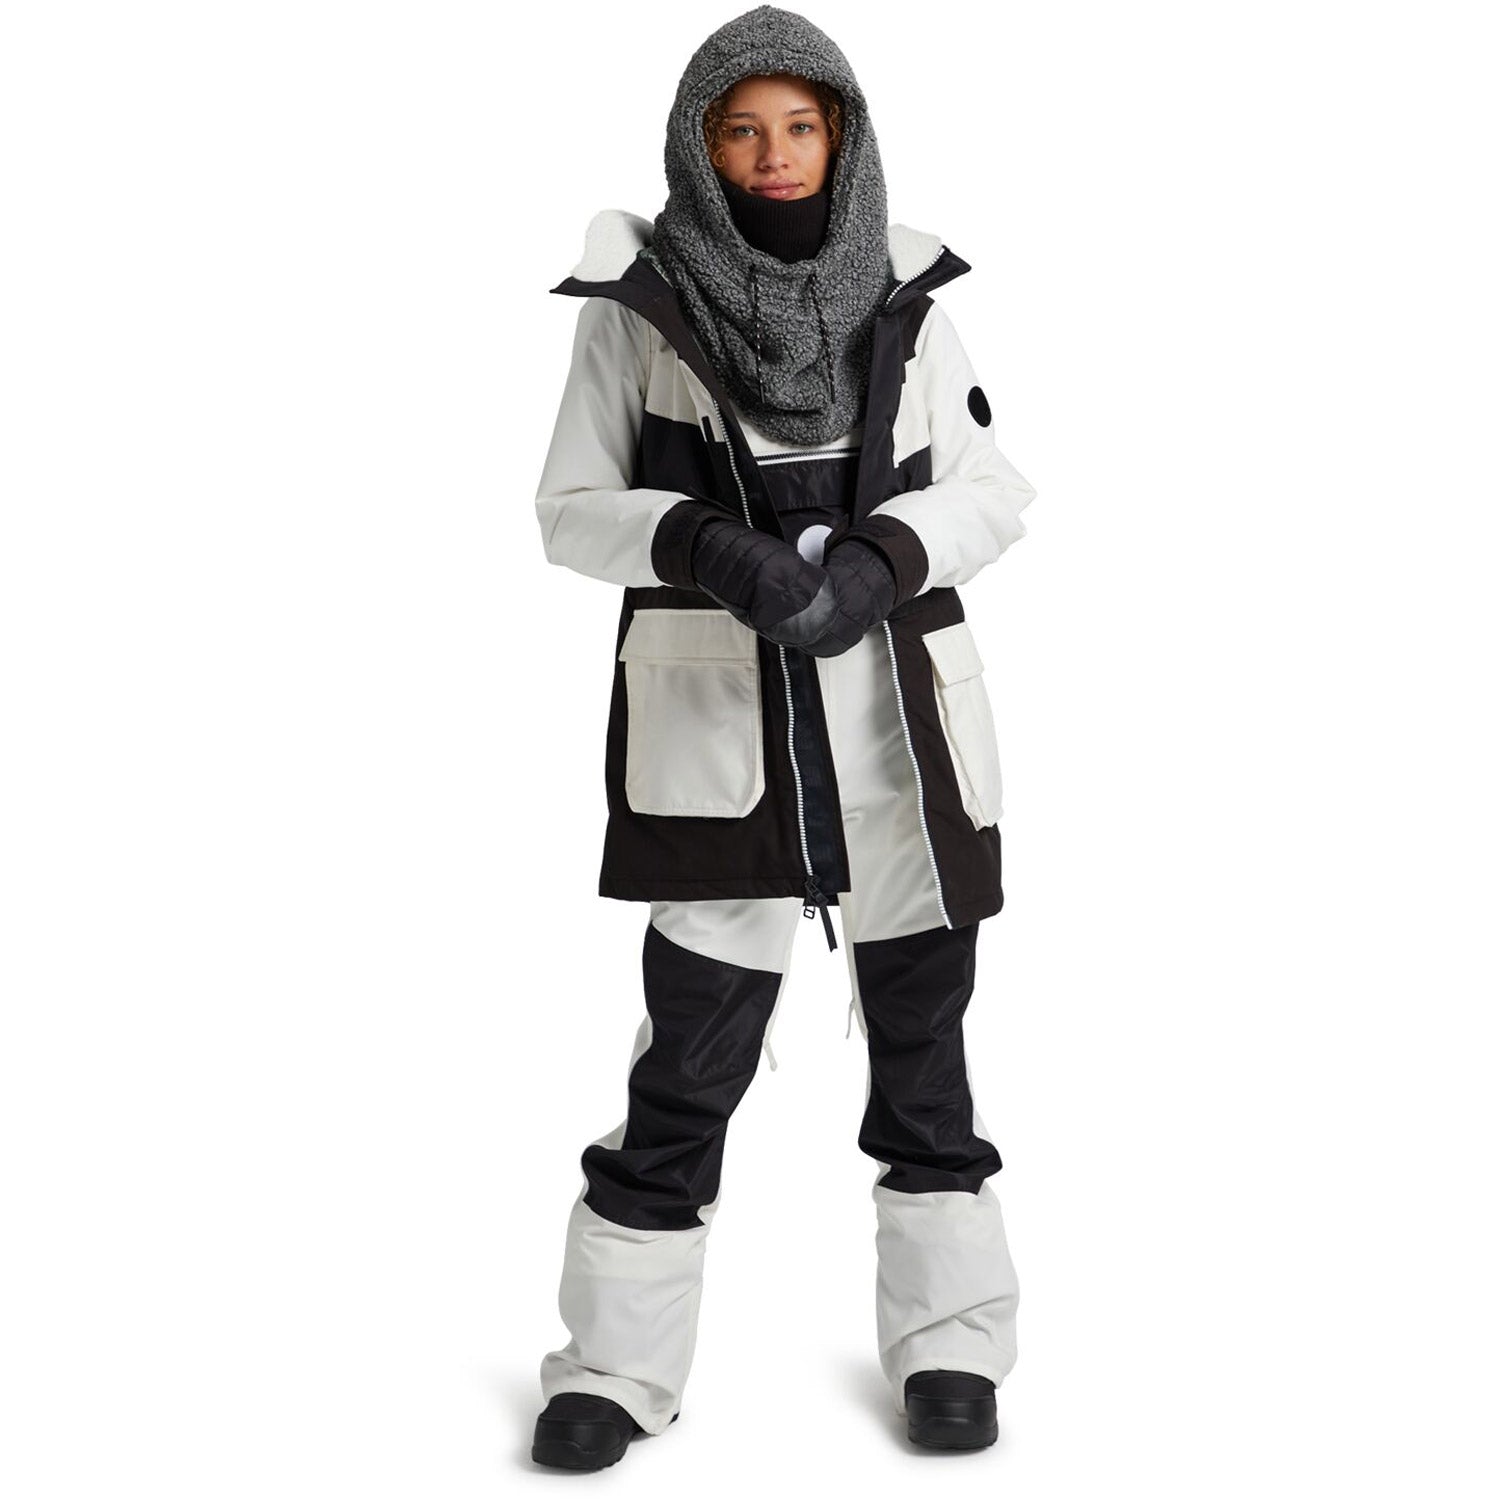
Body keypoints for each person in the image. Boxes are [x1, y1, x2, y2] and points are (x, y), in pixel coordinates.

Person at [528, 4, 1037, 1470]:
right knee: (688, 1064)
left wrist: (888, 556)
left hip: (896, 740)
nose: (772, 155)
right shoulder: (638, 312)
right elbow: (568, 511)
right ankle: (613, 1369)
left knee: (925, 1056)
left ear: (841, 139)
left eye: (799, 127)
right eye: (741, 130)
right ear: (700, 146)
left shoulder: (909, 298)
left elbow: (994, 490)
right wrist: (698, 543)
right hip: (723, 745)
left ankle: (953, 1346)